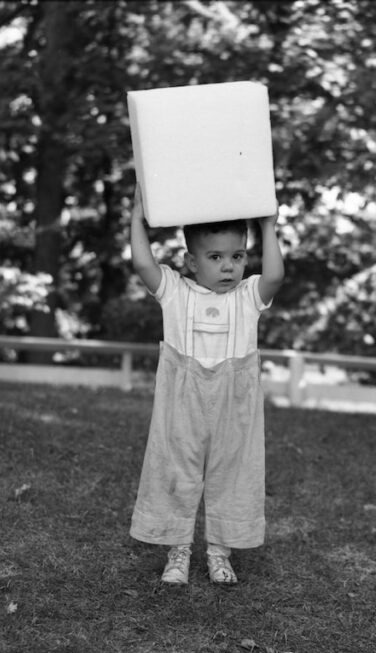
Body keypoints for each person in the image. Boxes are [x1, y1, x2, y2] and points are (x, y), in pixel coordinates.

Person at [128, 182, 284, 585]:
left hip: (236, 397)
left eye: (237, 256)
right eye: (215, 257)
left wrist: (268, 226)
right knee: (175, 468)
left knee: (233, 471)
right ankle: (177, 550)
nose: (229, 266)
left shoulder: (248, 296)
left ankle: (220, 552)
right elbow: (143, 266)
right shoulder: (176, 293)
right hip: (183, 396)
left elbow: (275, 276)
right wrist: (137, 218)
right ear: (192, 262)